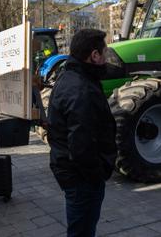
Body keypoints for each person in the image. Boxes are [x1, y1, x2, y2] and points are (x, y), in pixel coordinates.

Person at [47, 29, 117, 237]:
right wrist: (98, 175)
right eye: (104, 53)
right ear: (94, 56)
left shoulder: (69, 77)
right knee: (82, 231)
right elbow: (82, 145)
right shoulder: (82, 89)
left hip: (71, 172)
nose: (106, 58)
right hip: (82, 179)